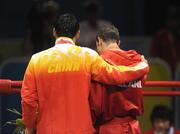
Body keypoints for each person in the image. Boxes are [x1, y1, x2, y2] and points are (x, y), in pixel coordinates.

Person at [21, 14, 149, 134]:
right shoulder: (88, 56)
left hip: (48, 130)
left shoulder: (36, 60)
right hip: (82, 130)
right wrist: (142, 67)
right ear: (78, 34)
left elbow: (28, 100)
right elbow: (115, 74)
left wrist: (29, 126)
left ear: (54, 32)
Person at [89, 24, 148, 134]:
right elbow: (142, 81)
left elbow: (95, 104)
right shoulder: (137, 60)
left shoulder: (100, 64)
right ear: (118, 42)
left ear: (99, 41)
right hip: (133, 128)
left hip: (109, 129)